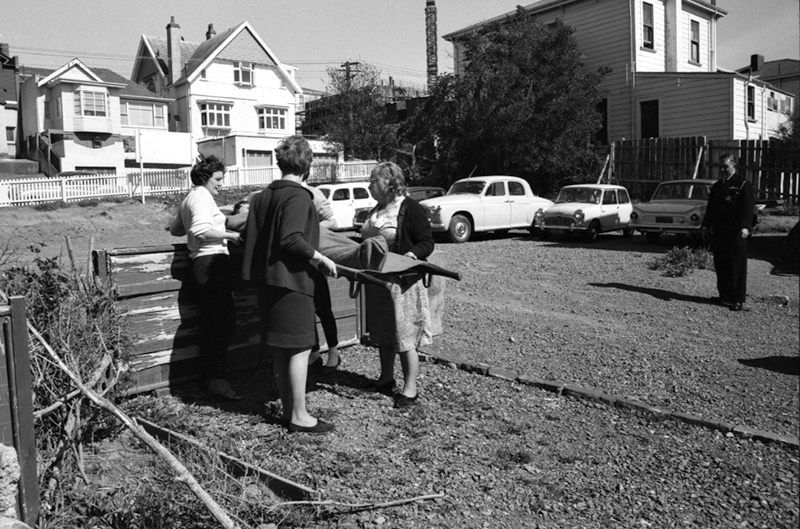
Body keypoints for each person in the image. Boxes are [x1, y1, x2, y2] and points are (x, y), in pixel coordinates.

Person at [242, 135, 337, 433]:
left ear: (279, 162)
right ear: (307, 164)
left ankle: (289, 410)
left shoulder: (261, 197)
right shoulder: (298, 196)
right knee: (298, 348)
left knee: (281, 350)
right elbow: (291, 238)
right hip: (292, 282)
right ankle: (299, 415)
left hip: (267, 283)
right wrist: (320, 258)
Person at [360, 161, 434, 408]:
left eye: (372, 180)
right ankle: (386, 378)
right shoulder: (378, 209)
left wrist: (411, 256)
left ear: (388, 183)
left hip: (402, 284)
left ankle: (410, 389)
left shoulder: (409, 208)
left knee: (404, 337)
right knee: (383, 333)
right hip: (378, 281)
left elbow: (426, 242)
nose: (369, 185)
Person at [169, 155, 243, 400]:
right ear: (205, 177)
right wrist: (230, 235)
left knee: (213, 323)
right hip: (211, 262)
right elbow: (199, 230)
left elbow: (177, 229)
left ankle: (212, 378)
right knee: (223, 323)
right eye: (218, 179)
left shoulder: (191, 197)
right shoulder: (201, 196)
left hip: (199, 264)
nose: (221, 184)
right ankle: (216, 380)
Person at [701, 154, 755, 312]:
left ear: (734, 166)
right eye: (721, 167)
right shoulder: (718, 186)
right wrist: (705, 226)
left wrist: (746, 227)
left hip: (736, 232)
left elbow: (748, 209)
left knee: (736, 265)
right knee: (721, 263)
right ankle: (724, 295)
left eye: (726, 167)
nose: (723, 170)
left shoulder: (742, 184)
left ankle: (737, 299)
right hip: (720, 231)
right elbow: (711, 209)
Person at [304, 182, 342, 372]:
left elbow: (332, 221)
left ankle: (334, 353)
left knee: (323, 309)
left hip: (316, 262)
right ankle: (314, 353)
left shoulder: (314, 193)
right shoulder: (287, 190)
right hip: (299, 262)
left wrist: (311, 230)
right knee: (307, 311)